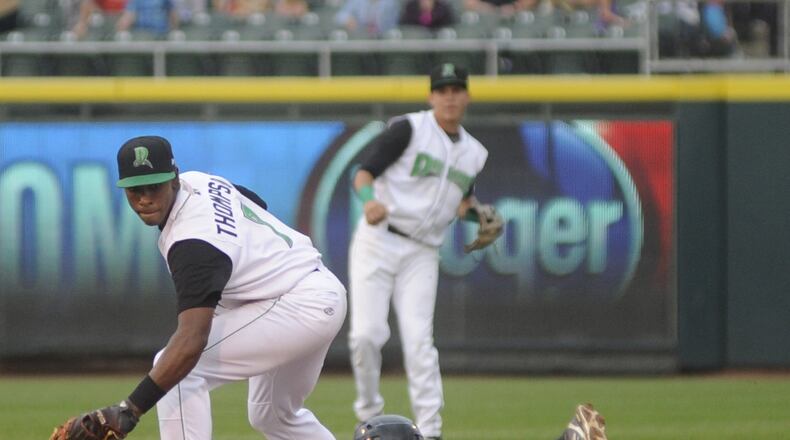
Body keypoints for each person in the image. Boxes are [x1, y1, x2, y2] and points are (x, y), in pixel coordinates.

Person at [51, 135, 346, 440]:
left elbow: (191, 342)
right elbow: (255, 203)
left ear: (174, 179)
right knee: (272, 415)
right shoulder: (202, 181)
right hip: (313, 290)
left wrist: (129, 411)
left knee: (178, 369)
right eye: (135, 189)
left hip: (298, 305)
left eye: (155, 186)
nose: (145, 198)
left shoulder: (194, 245)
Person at [347, 63, 502, 440]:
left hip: (422, 252)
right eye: (442, 89)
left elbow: (460, 202)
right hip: (378, 239)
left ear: (466, 95)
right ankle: (370, 418)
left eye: (456, 89)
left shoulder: (474, 153)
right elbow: (363, 173)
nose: (449, 96)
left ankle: (431, 433)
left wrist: (479, 215)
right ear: (432, 95)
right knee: (366, 335)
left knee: (419, 343)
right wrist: (369, 201)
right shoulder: (409, 128)